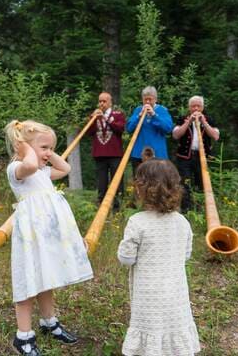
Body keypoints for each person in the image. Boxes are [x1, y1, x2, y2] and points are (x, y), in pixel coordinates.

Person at [4, 119, 93, 356]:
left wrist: (47, 151)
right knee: (28, 281)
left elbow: (65, 169)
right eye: (44, 148)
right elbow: (30, 166)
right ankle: (23, 337)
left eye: (51, 148)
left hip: (47, 236)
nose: (49, 153)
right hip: (31, 237)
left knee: (47, 278)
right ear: (22, 148)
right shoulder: (17, 170)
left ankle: (48, 322)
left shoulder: (43, 170)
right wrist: (24, 150)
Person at [117, 159, 200, 356]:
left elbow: (126, 258)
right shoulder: (182, 222)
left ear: (141, 189)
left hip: (148, 294)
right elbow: (186, 254)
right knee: (174, 326)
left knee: (151, 328)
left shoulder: (137, 222)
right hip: (176, 292)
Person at [172, 95, 220, 212]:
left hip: (202, 157)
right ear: (189, 108)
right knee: (185, 184)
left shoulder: (209, 119)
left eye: (198, 106)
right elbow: (176, 135)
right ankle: (186, 210)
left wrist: (204, 122)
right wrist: (188, 123)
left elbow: (215, 136)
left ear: (202, 108)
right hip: (185, 157)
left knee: (201, 183)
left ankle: (201, 209)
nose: (196, 109)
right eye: (193, 106)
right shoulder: (183, 119)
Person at [87, 92, 125, 207]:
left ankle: (118, 207)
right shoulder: (94, 116)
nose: (101, 104)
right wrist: (93, 119)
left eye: (104, 101)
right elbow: (89, 132)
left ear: (110, 102)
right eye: (100, 101)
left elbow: (120, 129)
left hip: (115, 153)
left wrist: (106, 119)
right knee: (101, 182)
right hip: (100, 154)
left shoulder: (118, 114)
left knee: (117, 180)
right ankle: (101, 206)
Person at [126, 86, 173, 174]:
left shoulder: (162, 110)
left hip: (158, 154)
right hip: (138, 153)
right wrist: (138, 116)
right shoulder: (138, 110)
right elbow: (129, 128)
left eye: (150, 99)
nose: (147, 102)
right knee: (139, 181)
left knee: (158, 182)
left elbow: (168, 128)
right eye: (145, 99)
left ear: (155, 99)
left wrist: (154, 115)